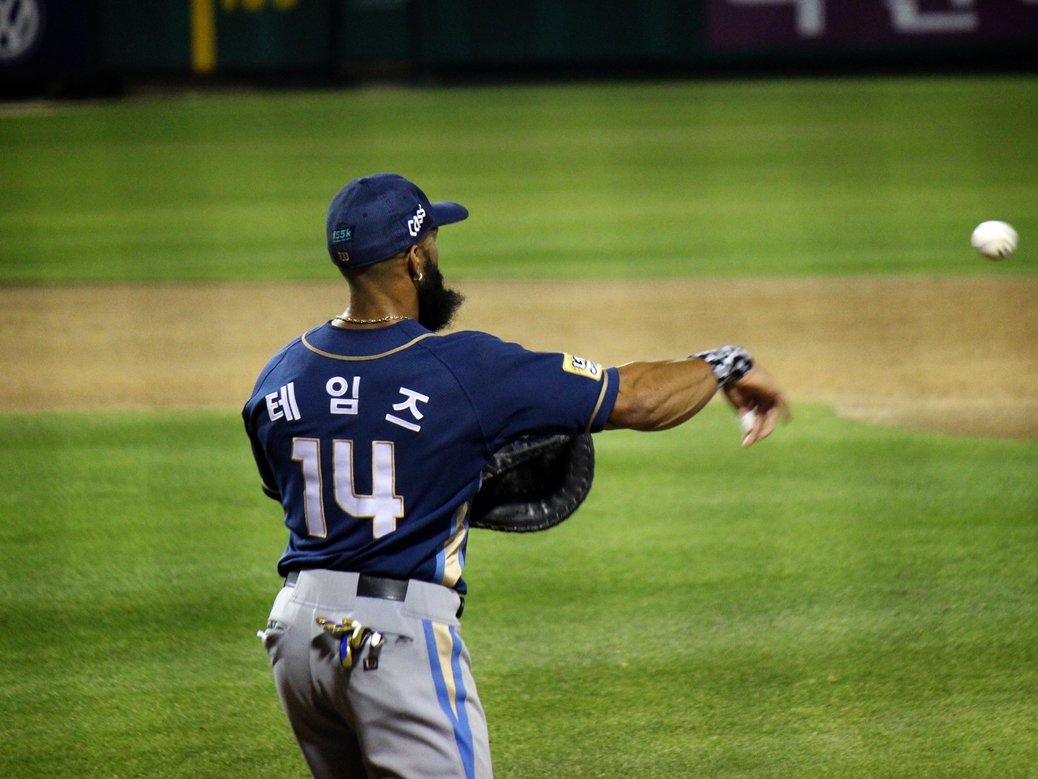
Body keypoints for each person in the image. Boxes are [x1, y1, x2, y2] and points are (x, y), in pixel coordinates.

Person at [243, 173, 789, 779]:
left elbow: (298, 492)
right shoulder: (462, 368)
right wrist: (725, 364)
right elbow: (638, 399)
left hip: (296, 636)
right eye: (434, 244)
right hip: (391, 644)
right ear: (415, 257)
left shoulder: (280, 374)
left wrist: (442, 483)